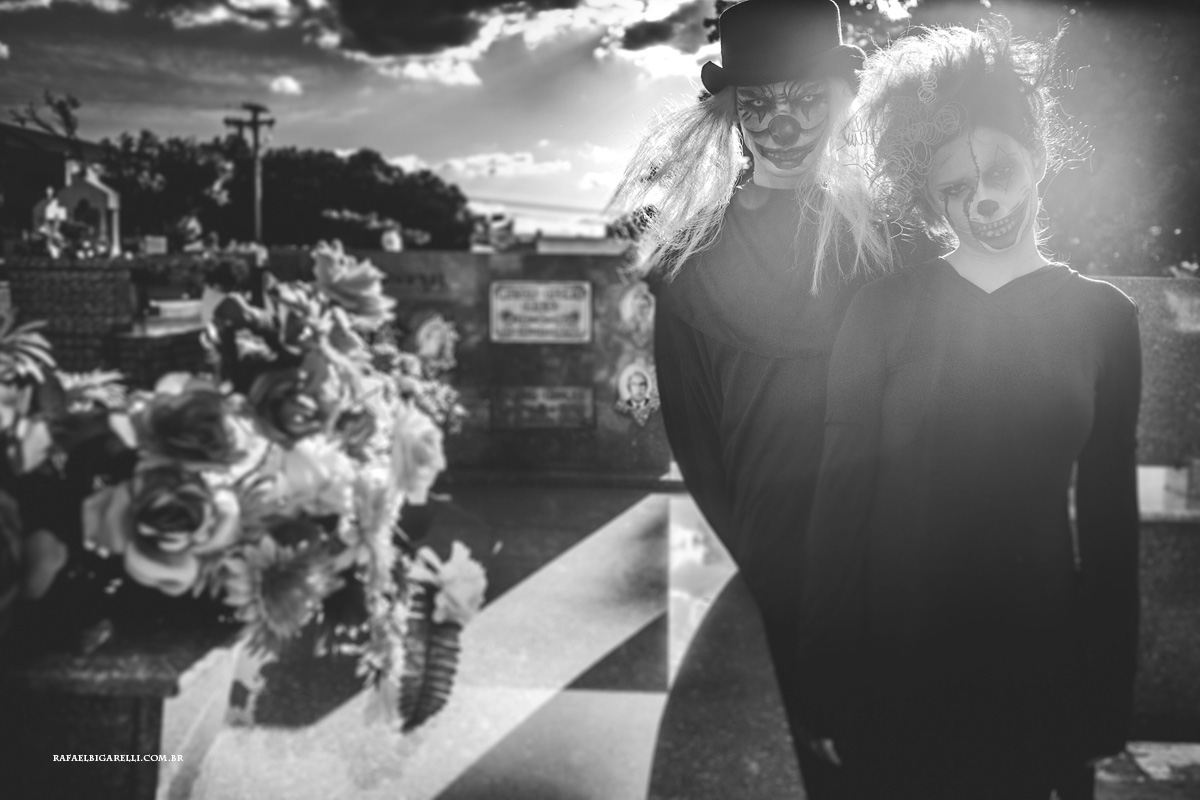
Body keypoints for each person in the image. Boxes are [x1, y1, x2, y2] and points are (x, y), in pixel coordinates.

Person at [795, 18, 1141, 799]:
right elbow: (838, 508)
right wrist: (822, 680)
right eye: (954, 188)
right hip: (893, 674)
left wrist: (1103, 704)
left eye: (1001, 171)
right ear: (928, 198)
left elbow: (1112, 528)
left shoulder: (1105, 320)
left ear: (1039, 161)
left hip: (1040, 674)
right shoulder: (882, 311)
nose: (983, 200)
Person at [612, 0, 892, 794]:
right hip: (759, 558)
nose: (784, 124)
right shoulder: (690, 259)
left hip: (888, 552)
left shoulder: (888, 241)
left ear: (837, 100)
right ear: (733, 113)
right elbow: (697, 442)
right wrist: (754, 567)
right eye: (760, 103)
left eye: (804, 98)